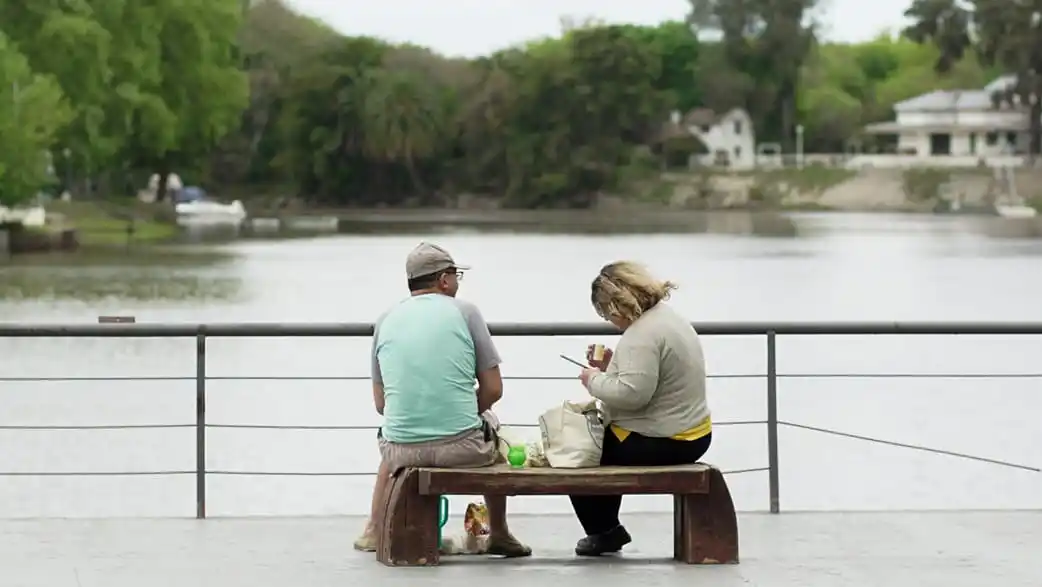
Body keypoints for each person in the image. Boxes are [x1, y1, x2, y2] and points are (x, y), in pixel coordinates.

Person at [352, 242, 530, 558]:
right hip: (461, 448)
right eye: (457, 275)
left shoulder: (386, 319)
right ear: (444, 280)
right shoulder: (466, 312)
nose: (458, 283)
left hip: (401, 451)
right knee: (494, 428)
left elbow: (381, 405)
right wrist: (459, 413)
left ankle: (374, 530)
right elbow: (493, 390)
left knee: (392, 434)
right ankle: (499, 533)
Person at [571, 261, 712, 556]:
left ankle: (603, 532)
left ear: (615, 304)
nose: (607, 319)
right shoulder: (666, 319)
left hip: (665, 440)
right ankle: (608, 528)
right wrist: (612, 367)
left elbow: (633, 396)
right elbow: (652, 380)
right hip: (693, 434)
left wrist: (593, 380)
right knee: (609, 443)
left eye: (604, 312)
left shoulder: (641, 334)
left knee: (580, 453)